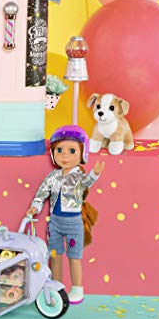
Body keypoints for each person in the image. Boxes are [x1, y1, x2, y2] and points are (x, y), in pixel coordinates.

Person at [26, 125, 105, 304]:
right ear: (53, 153)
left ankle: (77, 289)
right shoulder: (53, 176)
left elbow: (87, 182)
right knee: (55, 255)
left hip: (73, 224)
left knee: (74, 257)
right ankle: (56, 286)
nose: (65, 156)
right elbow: (42, 193)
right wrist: (35, 207)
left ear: (82, 153)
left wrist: (95, 174)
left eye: (72, 151)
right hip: (55, 223)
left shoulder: (78, 177)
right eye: (59, 150)